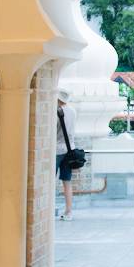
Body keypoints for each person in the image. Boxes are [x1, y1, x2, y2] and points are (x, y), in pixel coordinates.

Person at [56, 90, 77, 221]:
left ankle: (47, 209)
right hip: (70, 150)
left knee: (49, 182)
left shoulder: (56, 112)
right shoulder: (73, 111)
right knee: (67, 182)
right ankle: (69, 212)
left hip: (56, 150)